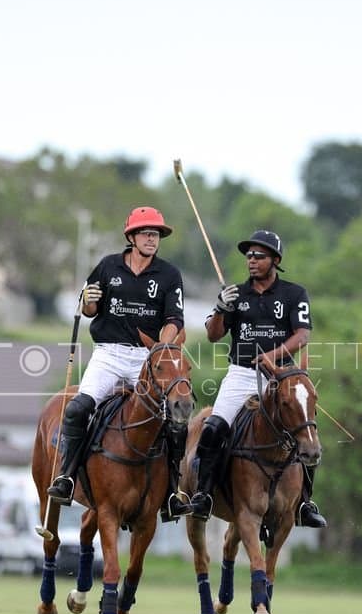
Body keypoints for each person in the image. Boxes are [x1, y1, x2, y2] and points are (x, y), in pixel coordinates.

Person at [46, 205, 190, 521]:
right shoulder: (108, 266)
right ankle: (67, 477)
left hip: (147, 357)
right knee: (79, 407)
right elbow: (90, 309)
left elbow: (173, 319)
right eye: (147, 233)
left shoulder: (169, 275)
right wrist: (88, 302)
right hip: (109, 355)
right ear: (132, 236)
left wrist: (163, 347)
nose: (152, 239)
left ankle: (171, 494)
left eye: (156, 234)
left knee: (174, 421)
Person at [177, 229, 327, 527]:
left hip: (281, 377)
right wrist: (221, 308)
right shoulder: (237, 294)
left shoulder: (293, 294)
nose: (252, 260)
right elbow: (213, 334)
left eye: (259, 256)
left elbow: (303, 335)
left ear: (276, 260)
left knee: (306, 433)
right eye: (249, 256)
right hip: (241, 374)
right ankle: (204, 495)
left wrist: (273, 356)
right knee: (213, 429)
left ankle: (304, 504)